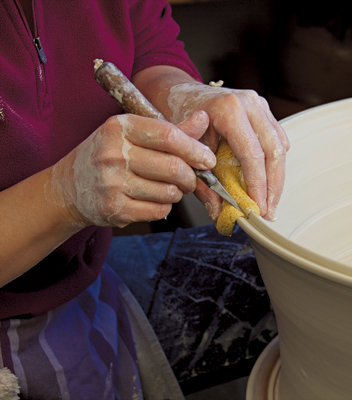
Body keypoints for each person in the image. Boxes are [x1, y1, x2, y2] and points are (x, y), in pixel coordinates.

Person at [0, 0, 289, 398]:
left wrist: (185, 98)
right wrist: (63, 196)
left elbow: (147, 45)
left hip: (82, 279)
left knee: (280, 284)